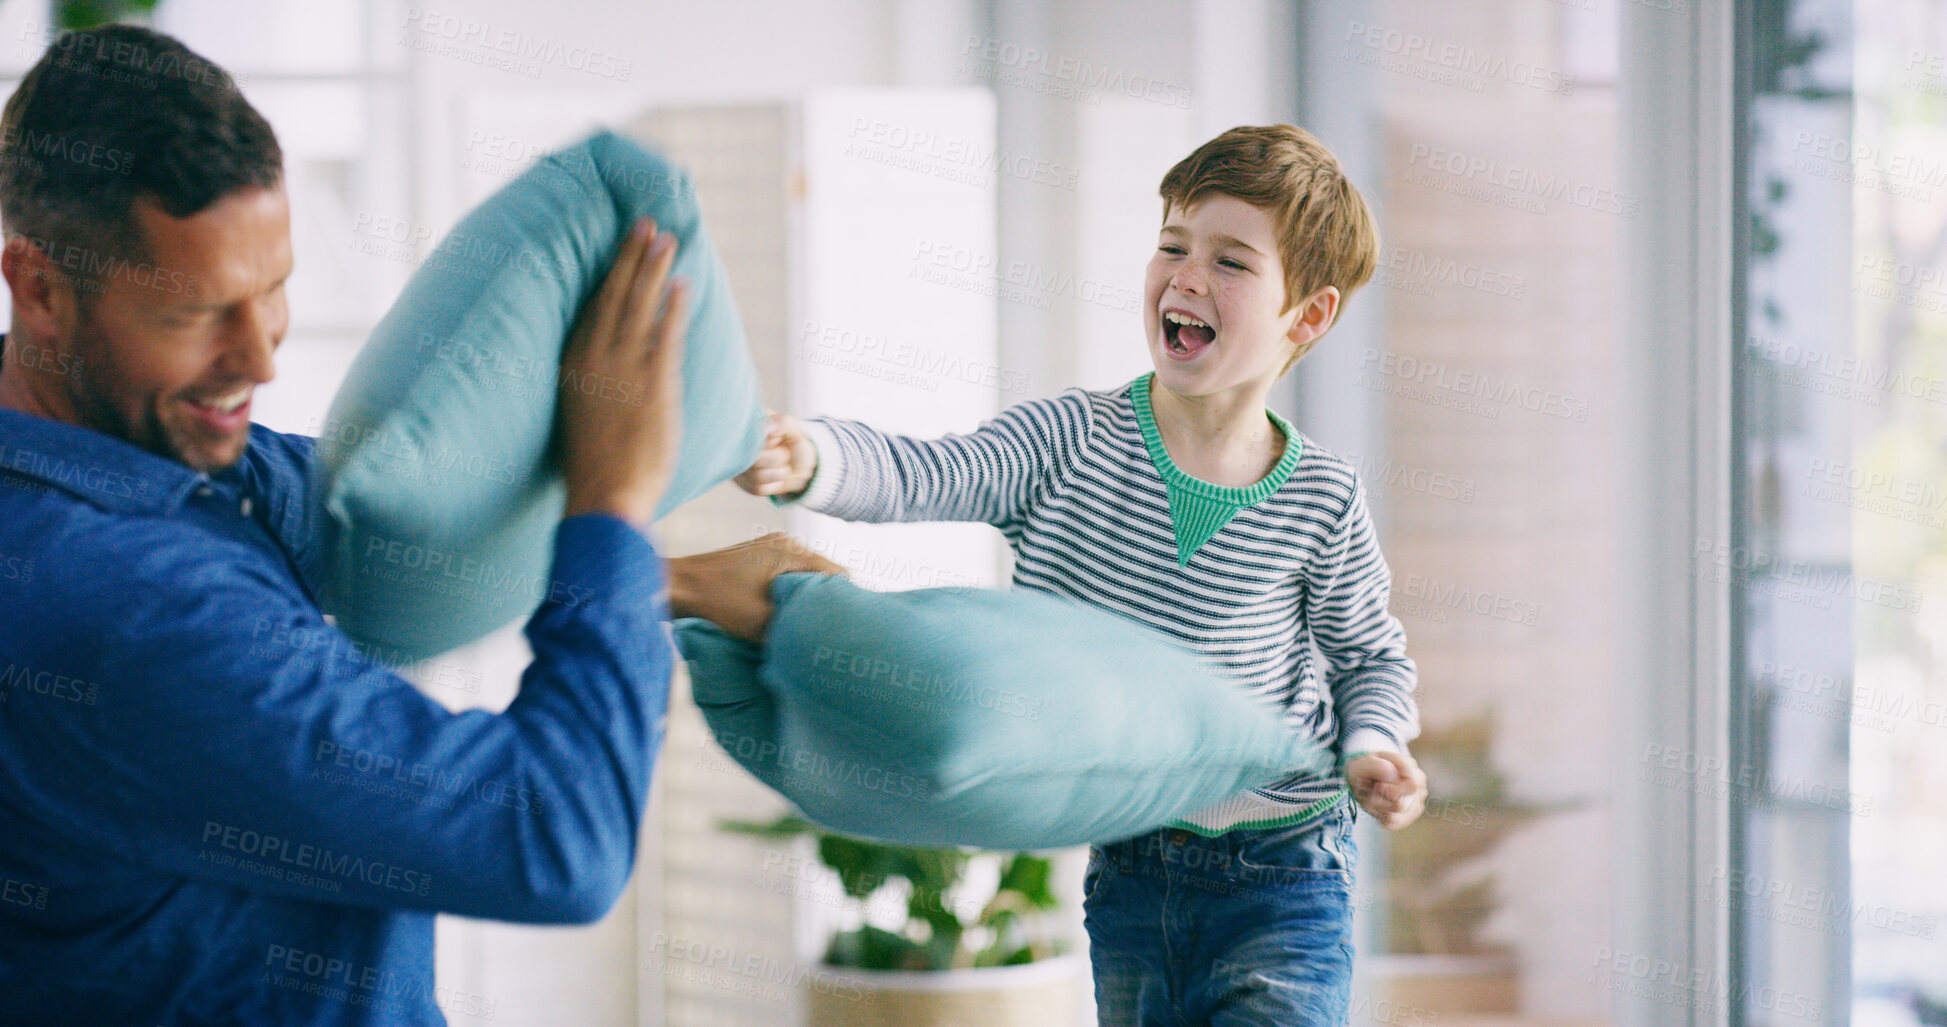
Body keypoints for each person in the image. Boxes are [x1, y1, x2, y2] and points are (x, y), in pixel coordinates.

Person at [0, 24, 837, 1026]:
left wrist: (678, 577)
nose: (261, 358)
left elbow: (398, 541)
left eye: (274, 293)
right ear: (39, 289)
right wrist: (611, 498)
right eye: (197, 315)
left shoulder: (147, 459)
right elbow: (553, 839)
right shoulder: (117, 607)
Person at [739, 124, 1429, 1025]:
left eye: (1230, 262)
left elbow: (1369, 656)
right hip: (1132, 870)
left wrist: (1374, 744)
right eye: (1171, 245)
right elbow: (925, 469)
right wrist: (813, 454)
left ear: (1306, 316)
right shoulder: (1069, 442)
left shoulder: (1321, 497)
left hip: (1286, 872)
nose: (1185, 276)